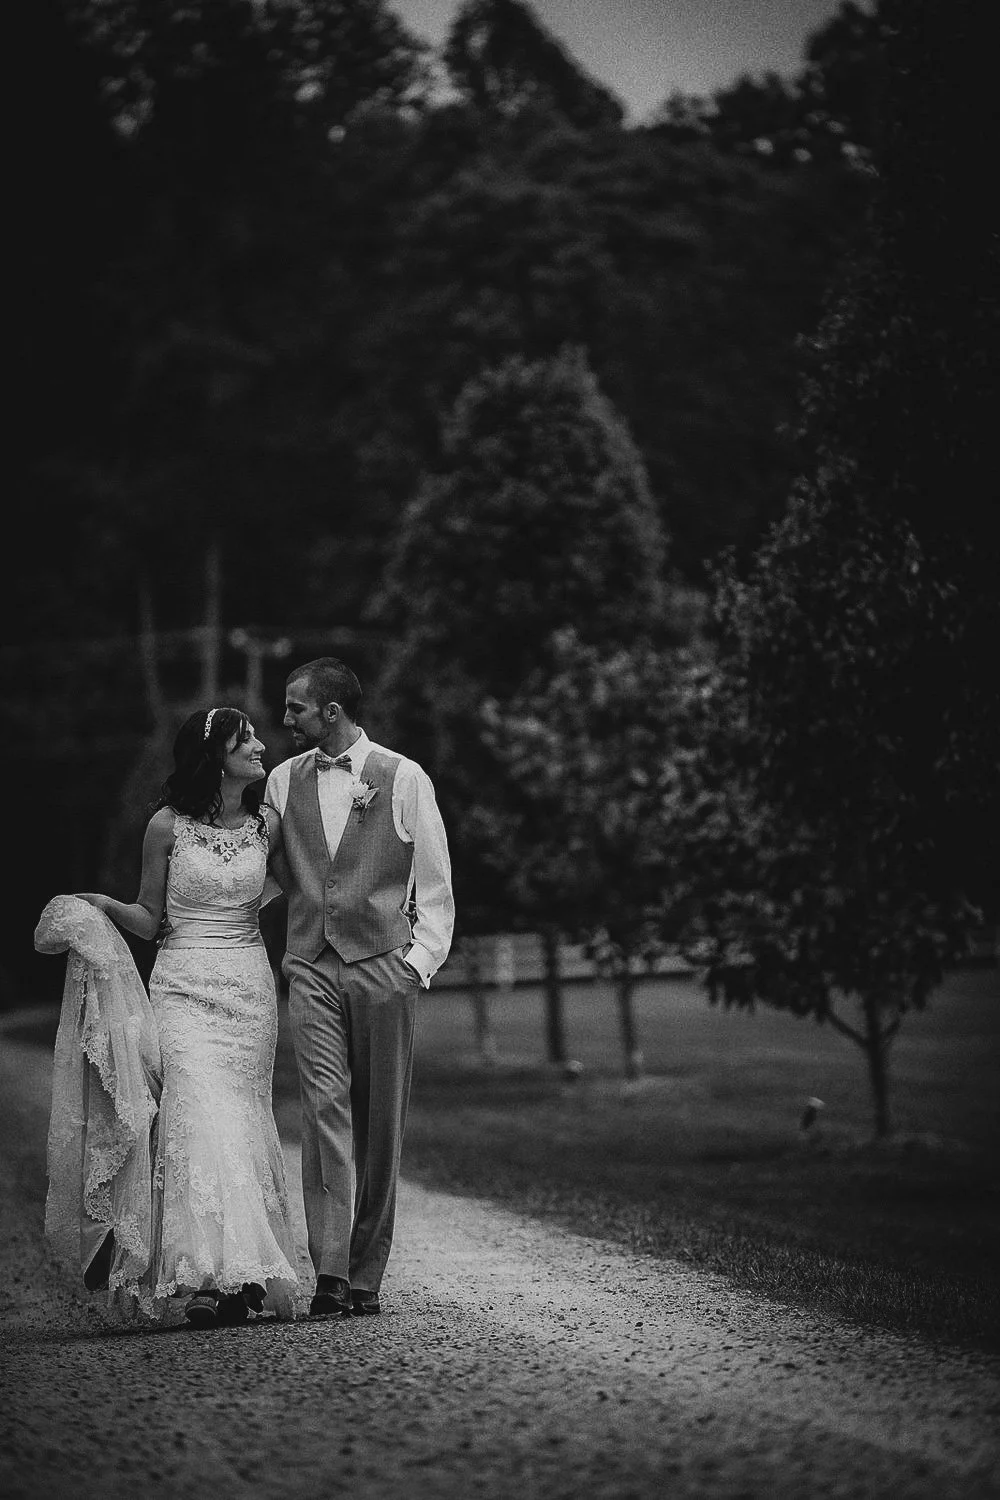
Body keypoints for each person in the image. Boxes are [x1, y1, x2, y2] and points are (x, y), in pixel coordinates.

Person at [64, 706, 301, 1327]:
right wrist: (104, 907)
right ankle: (204, 1277)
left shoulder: (267, 826)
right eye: (244, 739)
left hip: (248, 989)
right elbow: (148, 916)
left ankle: (242, 1273)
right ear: (213, 755)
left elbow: (295, 887)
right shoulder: (165, 826)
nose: (258, 746)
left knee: (243, 1120)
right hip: (181, 986)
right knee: (196, 1116)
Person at [265, 657, 454, 1318]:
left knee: (381, 1124)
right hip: (310, 965)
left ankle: (366, 1273)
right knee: (325, 1115)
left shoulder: (403, 779)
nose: (284, 719)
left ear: (332, 712)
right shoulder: (282, 782)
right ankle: (332, 1271)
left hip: (383, 968)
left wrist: (415, 964)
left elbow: (435, 888)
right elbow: (263, 872)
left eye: (295, 708)